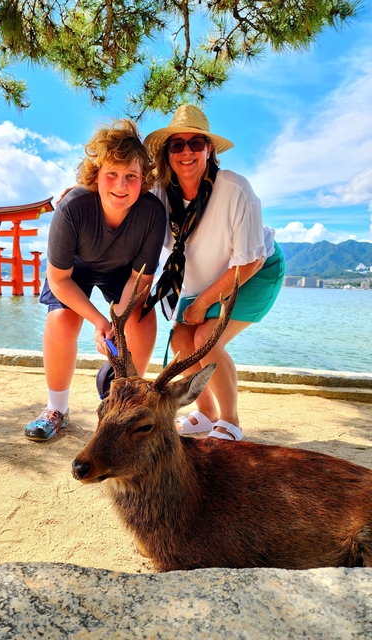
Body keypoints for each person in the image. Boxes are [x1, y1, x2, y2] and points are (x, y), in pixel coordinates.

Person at [141, 105, 285, 441]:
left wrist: (204, 301)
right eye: (177, 145)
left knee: (205, 338)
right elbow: (121, 189)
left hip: (254, 269)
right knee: (180, 339)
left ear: (209, 149)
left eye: (196, 143)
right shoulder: (160, 193)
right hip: (206, 274)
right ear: (167, 153)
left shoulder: (236, 189)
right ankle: (206, 413)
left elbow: (250, 261)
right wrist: (81, 195)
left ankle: (230, 421)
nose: (186, 152)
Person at [24, 119, 166, 442]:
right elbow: (58, 279)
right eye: (112, 174)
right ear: (96, 175)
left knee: (142, 321)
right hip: (76, 270)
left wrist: (117, 324)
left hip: (124, 271)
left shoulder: (152, 214)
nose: (121, 184)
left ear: (143, 180)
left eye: (131, 176)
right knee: (62, 320)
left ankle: (123, 396)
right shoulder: (72, 208)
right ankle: (56, 409)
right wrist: (100, 321)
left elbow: (140, 279)